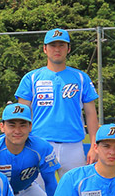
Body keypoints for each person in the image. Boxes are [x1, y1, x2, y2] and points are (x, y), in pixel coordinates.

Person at [14, 28, 100, 173]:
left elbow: (91, 113)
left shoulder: (81, 77)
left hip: (73, 146)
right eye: (53, 45)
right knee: (37, 192)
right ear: (45, 49)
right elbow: (21, 115)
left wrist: (94, 146)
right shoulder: (32, 78)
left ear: (68, 48)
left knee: (75, 192)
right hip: (39, 144)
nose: (57, 49)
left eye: (61, 45)